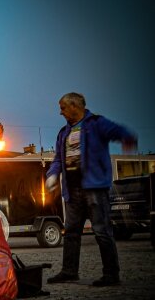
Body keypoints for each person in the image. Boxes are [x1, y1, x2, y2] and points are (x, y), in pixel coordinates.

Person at [45, 92, 137, 287]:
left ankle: (111, 274)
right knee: (71, 232)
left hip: (94, 188)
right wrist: (52, 175)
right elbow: (58, 160)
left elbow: (118, 131)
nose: (60, 112)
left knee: (101, 231)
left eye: (63, 107)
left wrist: (127, 138)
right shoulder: (64, 132)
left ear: (75, 106)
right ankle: (69, 271)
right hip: (72, 189)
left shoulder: (96, 124)